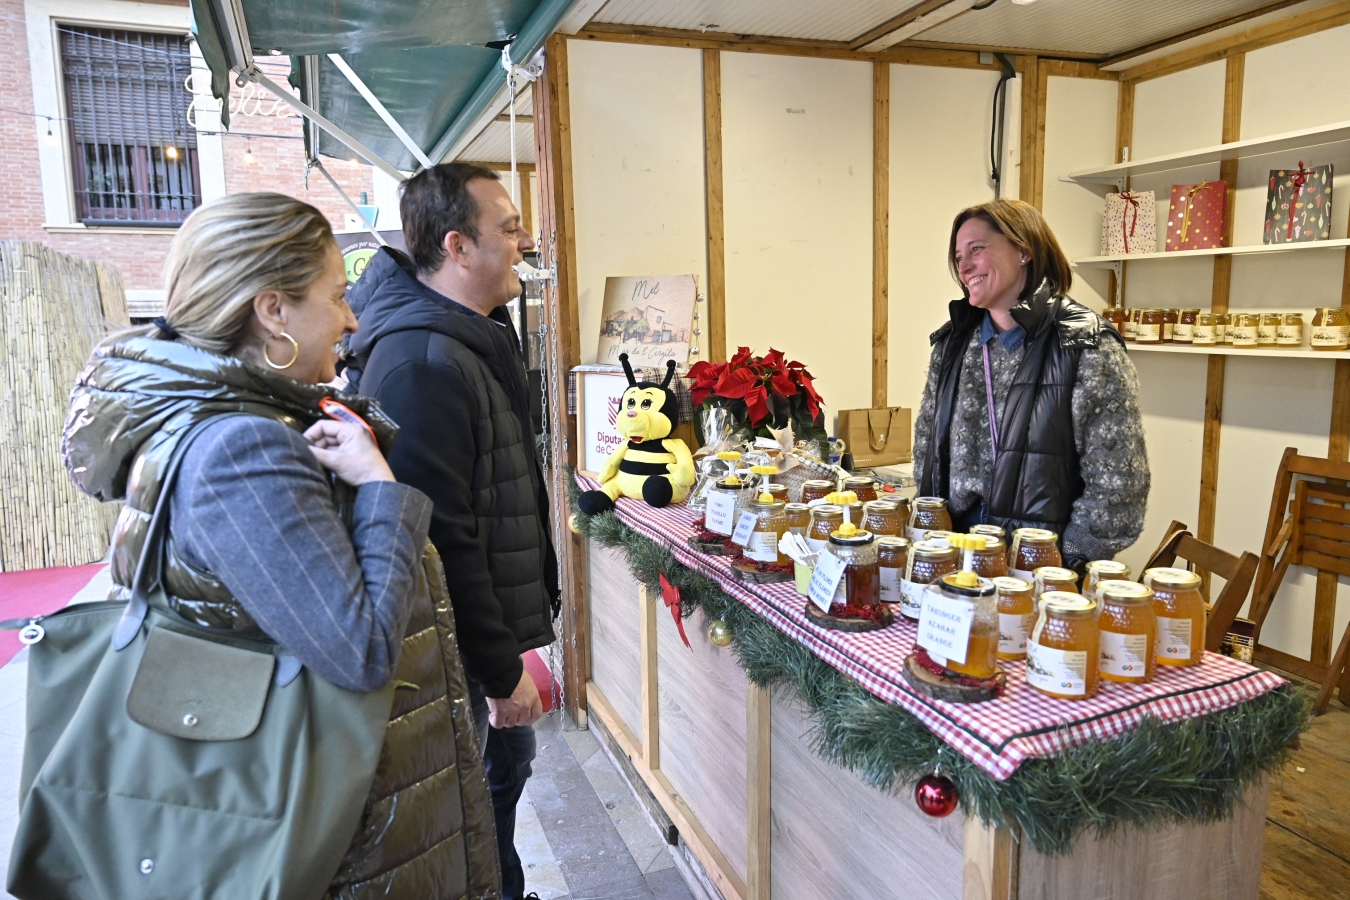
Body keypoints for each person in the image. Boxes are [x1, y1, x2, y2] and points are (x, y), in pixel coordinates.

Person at [59, 193, 501, 899]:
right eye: (336, 296)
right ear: (273, 311)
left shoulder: (235, 424)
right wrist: (378, 485)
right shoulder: (242, 450)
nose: (353, 319)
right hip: (333, 837)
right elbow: (359, 650)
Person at [344, 163, 559, 900]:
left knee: (501, 786)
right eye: (509, 228)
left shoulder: (469, 337)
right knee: (483, 804)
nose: (524, 241)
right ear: (458, 246)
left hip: (475, 640)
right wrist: (499, 670)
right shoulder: (424, 361)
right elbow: (440, 536)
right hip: (456, 655)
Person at [913, 199, 1150, 571]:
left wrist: (1067, 558)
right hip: (954, 552)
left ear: (1024, 250)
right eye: (958, 257)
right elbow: (925, 447)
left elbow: (1119, 482)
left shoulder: (1085, 344)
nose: (964, 267)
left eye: (976, 249)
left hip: (1040, 562)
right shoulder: (951, 345)